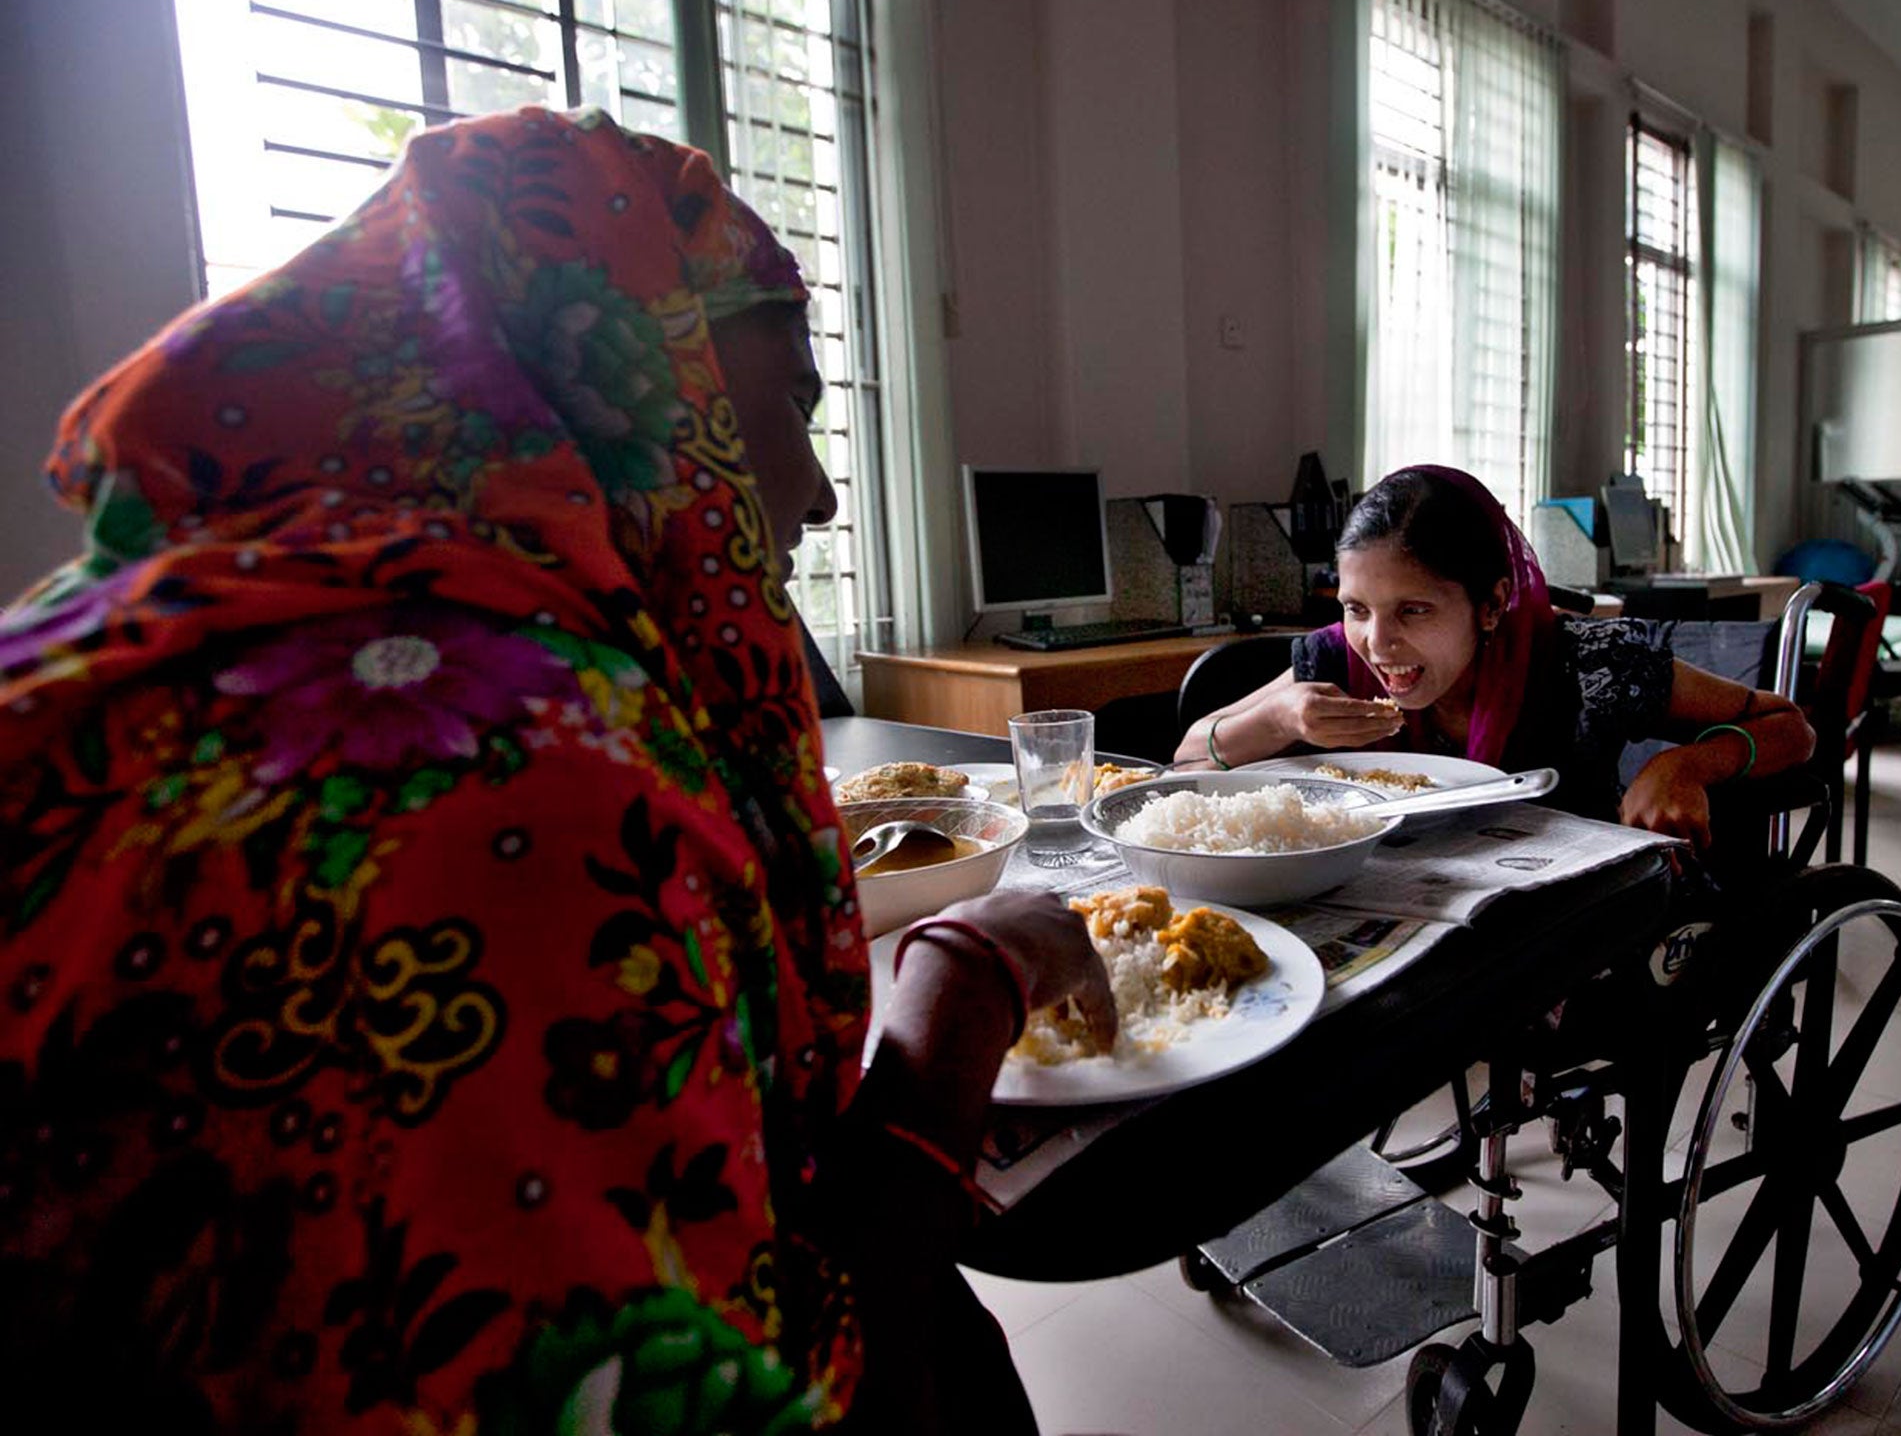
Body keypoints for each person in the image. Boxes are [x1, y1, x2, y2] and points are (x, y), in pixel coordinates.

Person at [0, 108, 1111, 1435]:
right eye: (795, 409)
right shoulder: (503, 770)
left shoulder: (118, 647)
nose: (818, 499)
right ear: (646, 391)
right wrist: (957, 999)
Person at [1175, 466, 1814, 847]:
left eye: (1414, 611)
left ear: (1490, 604)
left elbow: (1789, 725)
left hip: (1564, 930)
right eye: (1356, 608)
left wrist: (1685, 766)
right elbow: (1187, 756)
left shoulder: (1586, 665)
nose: (1377, 643)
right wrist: (1279, 719)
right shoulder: (1333, 660)